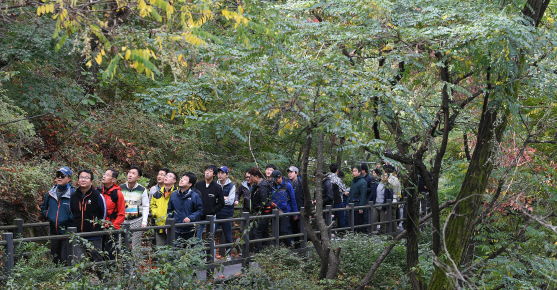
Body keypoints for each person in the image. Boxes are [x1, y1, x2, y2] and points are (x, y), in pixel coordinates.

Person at [70, 169, 106, 262]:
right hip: (78, 234)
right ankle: (78, 277)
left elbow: (104, 213)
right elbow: (73, 212)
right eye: (81, 177)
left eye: (86, 178)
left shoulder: (97, 196)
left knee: (98, 261)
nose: (83, 180)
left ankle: (104, 277)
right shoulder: (73, 196)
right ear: (78, 180)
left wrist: (97, 227)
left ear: (91, 181)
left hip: (94, 234)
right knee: (77, 261)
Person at [41, 167, 75, 266]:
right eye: (58, 175)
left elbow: (77, 211)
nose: (59, 178)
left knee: (66, 259)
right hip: (54, 232)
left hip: (67, 232)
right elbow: (44, 207)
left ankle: (68, 280)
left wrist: (69, 218)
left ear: (69, 178)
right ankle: (58, 280)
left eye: (62, 176)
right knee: (55, 258)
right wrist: (48, 215)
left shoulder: (73, 194)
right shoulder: (50, 193)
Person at [167, 172, 204, 245]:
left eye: (185, 179)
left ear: (190, 184)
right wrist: (167, 225)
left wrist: (191, 217)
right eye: (181, 178)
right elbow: (169, 211)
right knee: (172, 250)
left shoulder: (195, 196)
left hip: (189, 230)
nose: (181, 180)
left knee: (186, 253)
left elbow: (200, 210)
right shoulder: (174, 194)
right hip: (175, 228)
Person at [98, 168, 125, 260]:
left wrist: (114, 227)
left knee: (111, 252)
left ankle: (112, 272)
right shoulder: (98, 191)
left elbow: (121, 213)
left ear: (113, 179)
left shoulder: (117, 193)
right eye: (104, 174)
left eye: (107, 175)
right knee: (98, 251)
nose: (104, 176)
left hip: (111, 227)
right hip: (99, 226)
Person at [120, 166, 149, 248]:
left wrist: (144, 221)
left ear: (138, 177)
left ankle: (135, 261)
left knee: (136, 245)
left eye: (133, 173)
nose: (130, 175)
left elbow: (145, 206)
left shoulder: (142, 189)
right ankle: (122, 261)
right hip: (123, 220)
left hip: (137, 220)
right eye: (129, 173)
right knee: (121, 244)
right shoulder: (121, 188)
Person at [194, 165, 224, 241]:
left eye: (210, 171)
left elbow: (221, 203)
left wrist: (212, 211)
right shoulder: (198, 185)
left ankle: (211, 253)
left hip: (211, 217)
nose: (207, 172)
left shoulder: (217, 187)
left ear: (214, 174)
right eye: (206, 170)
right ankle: (203, 253)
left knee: (210, 239)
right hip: (199, 216)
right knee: (197, 238)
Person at [270, 170, 298, 247]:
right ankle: (278, 249)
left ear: (280, 177)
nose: (275, 181)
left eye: (276, 179)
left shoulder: (288, 186)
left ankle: (289, 247)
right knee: (276, 232)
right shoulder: (272, 186)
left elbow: (293, 200)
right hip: (275, 212)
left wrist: (295, 213)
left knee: (283, 231)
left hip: (285, 212)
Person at [150, 171, 177, 246]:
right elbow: (152, 205)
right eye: (166, 175)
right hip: (160, 225)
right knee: (160, 249)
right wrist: (156, 213)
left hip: (173, 225)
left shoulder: (177, 193)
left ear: (174, 180)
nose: (166, 177)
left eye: (169, 176)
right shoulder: (157, 193)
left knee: (173, 248)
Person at [248, 167, 272, 253]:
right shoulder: (257, 186)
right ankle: (267, 250)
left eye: (252, 177)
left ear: (257, 177)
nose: (251, 179)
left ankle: (258, 251)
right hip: (259, 213)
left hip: (263, 213)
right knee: (265, 233)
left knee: (256, 232)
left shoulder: (263, 187)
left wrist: (260, 210)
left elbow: (265, 202)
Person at [215, 166, 236, 260]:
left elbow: (231, 201)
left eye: (222, 173)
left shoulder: (231, 186)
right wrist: (224, 198)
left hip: (227, 215)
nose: (220, 175)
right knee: (210, 234)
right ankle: (209, 255)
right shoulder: (215, 185)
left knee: (228, 236)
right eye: (219, 173)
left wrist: (219, 199)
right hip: (216, 214)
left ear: (227, 175)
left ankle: (228, 255)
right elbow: (212, 199)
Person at [346, 165, 367, 233]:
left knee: (358, 223)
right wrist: (347, 203)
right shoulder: (353, 181)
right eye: (353, 171)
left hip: (358, 205)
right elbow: (350, 193)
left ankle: (360, 237)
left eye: (355, 171)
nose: (353, 173)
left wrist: (361, 207)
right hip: (352, 204)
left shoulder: (362, 182)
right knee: (352, 223)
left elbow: (363, 195)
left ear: (359, 172)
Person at [287, 166, 303, 248]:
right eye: (288, 172)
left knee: (299, 228)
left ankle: (300, 247)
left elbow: (306, 197)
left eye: (291, 172)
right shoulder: (287, 184)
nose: (289, 174)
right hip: (290, 209)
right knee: (292, 229)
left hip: (300, 209)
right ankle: (294, 247)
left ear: (296, 173)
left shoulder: (301, 184)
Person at [328, 164, 347, 229]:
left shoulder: (328, 177)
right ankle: (343, 232)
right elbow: (344, 189)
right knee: (341, 216)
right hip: (338, 200)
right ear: (337, 170)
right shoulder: (337, 179)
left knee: (332, 217)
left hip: (329, 200)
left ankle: (332, 232)